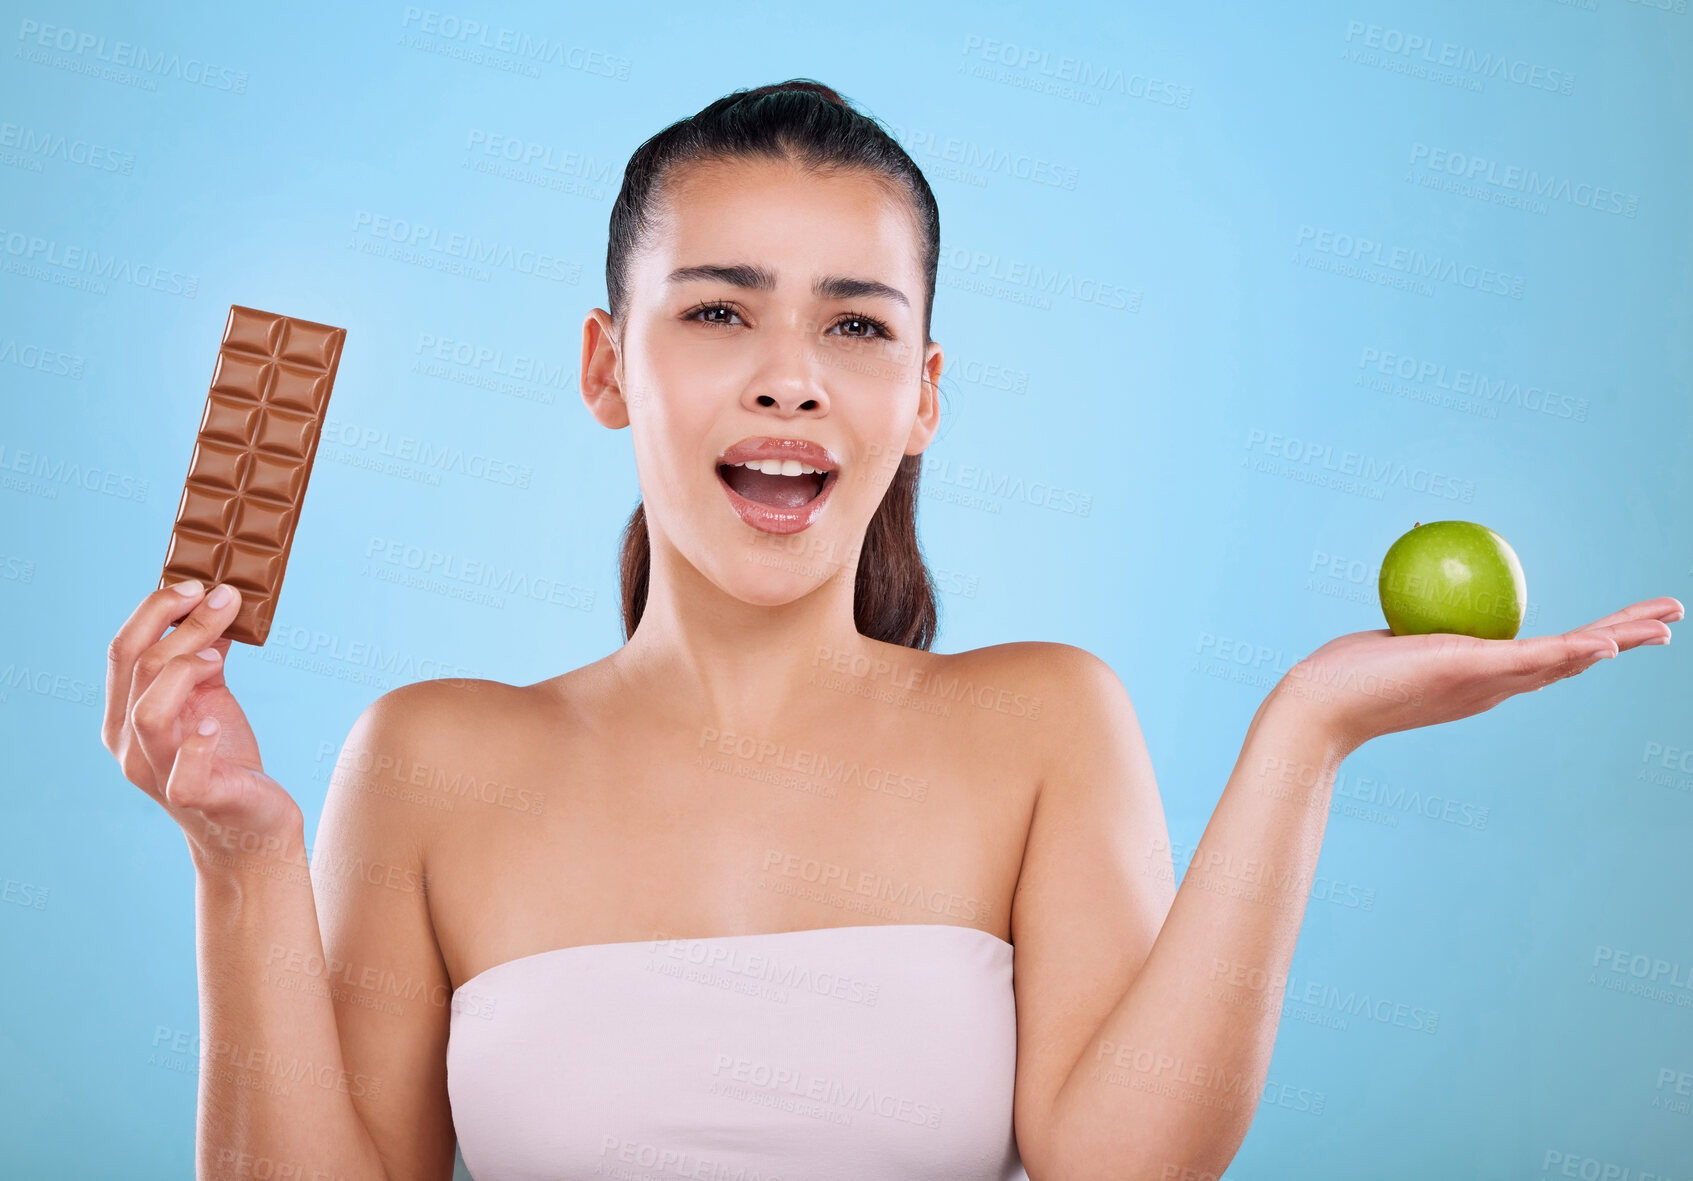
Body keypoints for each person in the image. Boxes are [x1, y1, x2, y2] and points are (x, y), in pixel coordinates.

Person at [102, 79, 1680, 1181]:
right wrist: (238, 860)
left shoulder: (1046, 723)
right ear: (603, 368)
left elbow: (1121, 1166)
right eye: (718, 309)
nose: (790, 374)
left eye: (855, 324)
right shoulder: (430, 756)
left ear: (920, 394)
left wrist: (1306, 733)